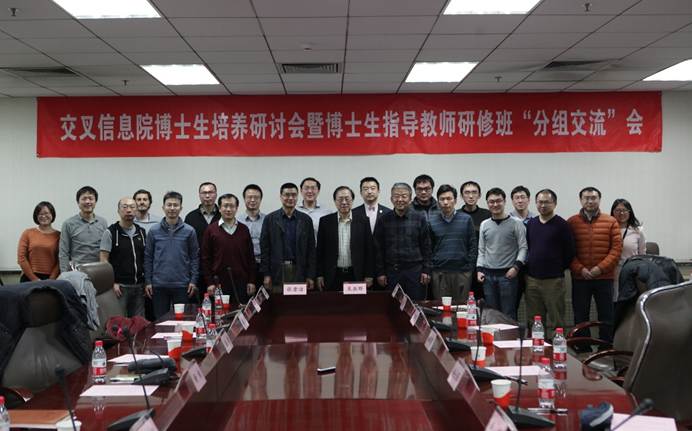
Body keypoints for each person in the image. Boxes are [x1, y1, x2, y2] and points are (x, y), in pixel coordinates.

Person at [568, 187, 622, 343]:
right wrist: (580, 269)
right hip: (580, 277)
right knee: (580, 315)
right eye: (586, 198)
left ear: (599, 200)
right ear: (581, 200)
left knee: (606, 315)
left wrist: (600, 268)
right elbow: (567, 250)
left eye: (593, 198)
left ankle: (606, 346)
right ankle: (582, 346)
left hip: (604, 277)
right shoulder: (571, 222)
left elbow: (616, 249)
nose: (590, 201)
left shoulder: (611, 221)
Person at [525, 189, 575, 336]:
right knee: (534, 319)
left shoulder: (562, 224)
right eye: (540, 202)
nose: (543, 205)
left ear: (555, 203)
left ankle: (556, 345)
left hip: (554, 280)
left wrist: (557, 267)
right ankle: (538, 345)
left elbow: (570, 251)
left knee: (556, 318)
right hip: (532, 279)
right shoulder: (532, 223)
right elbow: (528, 247)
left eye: (547, 202)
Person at [144, 191, 200, 318]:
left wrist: (193, 280)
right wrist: (148, 281)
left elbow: (194, 258)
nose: (172, 208)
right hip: (159, 285)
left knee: (181, 322)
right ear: (163, 207)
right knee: (160, 321)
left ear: (181, 208)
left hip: (182, 285)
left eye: (176, 205)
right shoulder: (154, 231)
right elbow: (148, 257)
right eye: (169, 205)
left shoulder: (189, 231)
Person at [374, 183, 432, 300]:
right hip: (392, 272)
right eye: (396, 196)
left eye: (404, 196)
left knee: (416, 305)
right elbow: (378, 249)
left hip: (415, 272)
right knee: (393, 305)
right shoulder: (383, 220)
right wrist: (380, 272)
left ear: (410, 199)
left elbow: (426, 246)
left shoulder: (420, 218)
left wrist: (427, 270)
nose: (400, 199)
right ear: (391, 199)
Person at [476, 187, 527, 320]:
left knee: (508, 313)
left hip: (508, 275)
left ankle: (510, 334)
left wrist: (516, 267)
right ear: (487, 203)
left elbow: (523, 248)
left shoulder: (516, 223)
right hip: (488, 276)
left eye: (498, 201)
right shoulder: (484, 224)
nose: (495, 204)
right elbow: (481, 249)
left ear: (504, 202)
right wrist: (479, 269)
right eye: (491, 202)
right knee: (492, 313)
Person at [316, 186, 375, 291]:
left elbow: (369, 250)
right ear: (335, 201)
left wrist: (369, 274)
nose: (344, 202)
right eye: (340, 199)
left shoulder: (363, 221)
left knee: (355, 302)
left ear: (352, 200)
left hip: (356, 274)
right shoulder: (325, 222)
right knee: (333, 301)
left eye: (347, 199)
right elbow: (320, 251)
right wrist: (319, 275)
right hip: (332, 275)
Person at [260, 183, 316, 293]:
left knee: (297, 301)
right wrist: (266, 274)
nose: (290, 198)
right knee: (279, 301)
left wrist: (310, 275)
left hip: (300, 270)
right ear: (281, 196)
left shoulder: (306, 220)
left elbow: (311, 250)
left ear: (297, 197)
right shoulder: (270, 219)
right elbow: (265, 249)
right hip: (277, 271)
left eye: (294, 195)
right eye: (287, 195)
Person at [201, 193, 256, 303]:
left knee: (241, 311)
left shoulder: (244, 229)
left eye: (232, 206)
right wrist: (210, 282)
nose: (228, 209)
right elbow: (205, 258)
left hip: (241, 282)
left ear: (236, 208)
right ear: (219, 208)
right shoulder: (211, 230)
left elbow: (250, 257)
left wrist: (251, 280)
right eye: (225, 206)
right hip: (218, 283)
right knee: (220, 312)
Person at [428, 185, 477, 302]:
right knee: (442, 307)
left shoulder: (466, 219)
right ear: (438, 202)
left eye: (449, 198)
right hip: (439, 272)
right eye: (442, 199)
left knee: (461, 307)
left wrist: (469, 268)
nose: (445, 202)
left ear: (455, 200)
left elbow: (473, 245)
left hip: (462, 272)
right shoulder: (431, 221)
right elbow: (429, 247)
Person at [99, 197, 146, 317]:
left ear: (136, 210)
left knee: (139, 322)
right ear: (118, 211)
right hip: (119, 287)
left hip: (139, 286)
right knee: (120, 322)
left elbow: (145, 258)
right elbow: (104, 260)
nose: (128, 210)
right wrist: (112, 282)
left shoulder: (141, 232)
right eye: (125, 207)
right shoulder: (110, 232)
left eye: (132, 207)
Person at [59, 186, 108, 272]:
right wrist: (64, 274)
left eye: (91, 198)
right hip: (77, 270)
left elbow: (105, 250)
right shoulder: (68, 224)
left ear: (95, 202)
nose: (87, 201)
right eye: (84, 199)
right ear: (78, 202)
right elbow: (63, 252)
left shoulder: (103, 222)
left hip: (98, 270)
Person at [610, 198, 646, 300]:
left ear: (630, 212)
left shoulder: (638, 231)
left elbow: (642, 255)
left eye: (624, 210)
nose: (621, 213)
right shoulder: (608, 229)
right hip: (612, 274)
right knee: (614, 303)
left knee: (629, 303)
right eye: (618, 210)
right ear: (613, 212)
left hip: (631, 273)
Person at [508, 185, 535, 313]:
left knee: (534, 305)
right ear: (512, 201)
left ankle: (533, 327)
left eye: (523, 197)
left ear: (528, 200)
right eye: (516, 198)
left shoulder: (536, 220)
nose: (520, 200)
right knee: (512, 305)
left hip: (531, 268)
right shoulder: (506, 220)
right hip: (513, 268)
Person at [17, 201, 60, 281]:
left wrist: (52, 278)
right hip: (29, 277)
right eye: (40, 214)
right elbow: (21, 258)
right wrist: (34, 279)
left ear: (52, 214)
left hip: (51, 278)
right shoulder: (28, 233)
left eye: (46, 213)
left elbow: (61, 259)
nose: (43, 216)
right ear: (36, 216)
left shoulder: (59, 235)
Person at [238, 184, 265, 288]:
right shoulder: (237, 221)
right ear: (244, 199)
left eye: (256, 197)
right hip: (244, 266)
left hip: (263, 266)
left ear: (261, 199)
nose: (253, 200)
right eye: (249, 197)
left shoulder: (268, 220)